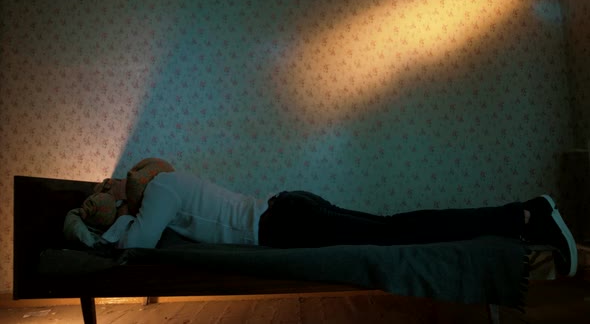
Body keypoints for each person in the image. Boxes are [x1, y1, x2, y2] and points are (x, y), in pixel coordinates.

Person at [83, 160, 578, 278]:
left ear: (138, 181)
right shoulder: (175, 184)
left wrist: (102, 226)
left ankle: (526, 215)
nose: (112, 192)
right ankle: (522, 216)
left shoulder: (163, 189)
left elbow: (139, 246)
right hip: (290, 210)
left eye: (114, 188)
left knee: (397, 232)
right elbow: (145, 234)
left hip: (285, 224)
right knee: (394, 228)